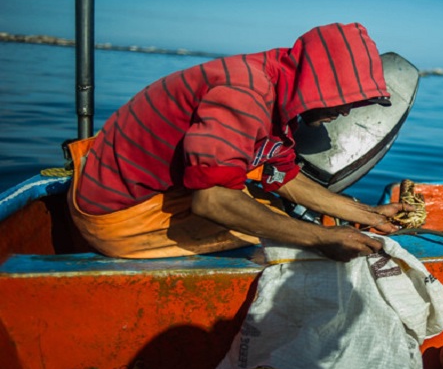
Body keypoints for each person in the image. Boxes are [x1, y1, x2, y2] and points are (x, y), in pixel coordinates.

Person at [66, 22, 413, 261]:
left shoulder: (277, 84)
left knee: (277, 212)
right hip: (118, 218)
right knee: (284, 245)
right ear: (319, 83)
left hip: (160, 194)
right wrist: (321, 239)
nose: (346, 111)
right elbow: (213, 201)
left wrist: (368, 213)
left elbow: (284, 177)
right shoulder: (244, 93)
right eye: (344, 99)